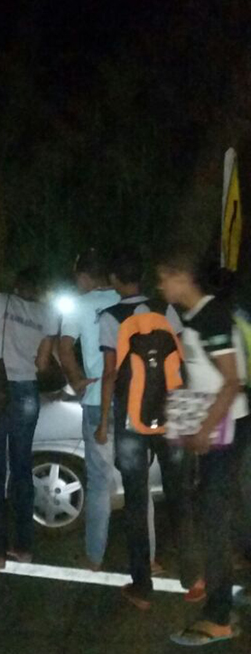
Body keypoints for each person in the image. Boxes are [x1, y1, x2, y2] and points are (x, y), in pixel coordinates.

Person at [98, 249, 200, 610]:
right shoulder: (166, 310)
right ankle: (194, 576)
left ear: (114, 281)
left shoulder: (110, 317)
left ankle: (142, 586)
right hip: (171, 415)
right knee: (179, 496)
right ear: (140, 278)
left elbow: (111, 372)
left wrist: (102, 424)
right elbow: (183, 361)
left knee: (137, 501)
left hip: (131, 420)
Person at [158, 248, 247, 646]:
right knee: (231, 510)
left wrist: (202, 432)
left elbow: (231, 382)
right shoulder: (201, 316)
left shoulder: (209, 316)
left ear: (183, 277)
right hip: (226, 427)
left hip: (224, 431)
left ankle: (219, 616)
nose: (160, 285)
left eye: (165, 277)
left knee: (213, 520)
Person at [0, 267, 59, 569]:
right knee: (22, 469)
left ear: (16, 285)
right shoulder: (49, 315)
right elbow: (43, 363)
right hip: (26, 394)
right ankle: (24, 547)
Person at [58, 249, 120, 570]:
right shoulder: (126, 298)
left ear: (83, 276)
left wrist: (78, 380)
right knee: (137, 482)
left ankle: (94, 557)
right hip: (133, 400)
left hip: (97, 399)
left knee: (99, 483)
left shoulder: (80, 305)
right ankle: (149, 559)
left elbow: (63, 346)